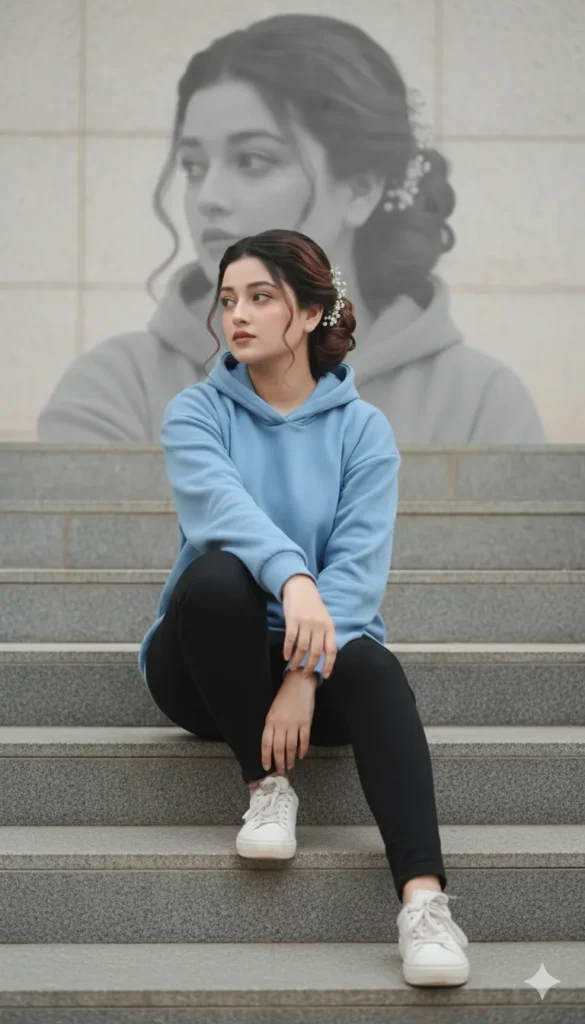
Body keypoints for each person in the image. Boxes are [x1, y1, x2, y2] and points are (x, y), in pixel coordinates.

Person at [138, 228, 470, 988]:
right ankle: (265, 785)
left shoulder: (363, 431)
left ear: (314, 312)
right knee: (219, 575)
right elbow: (222, 513)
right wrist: (293, 579)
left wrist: (302, 678)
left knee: (380, 673)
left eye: (261, 297)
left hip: (313, 654)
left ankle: (424, 905)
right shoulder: (196, 413)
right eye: (227, 300)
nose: (237, 316)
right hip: (201, 667)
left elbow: (356, 572)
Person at [38, 13, 544, 444]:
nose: (207, 197)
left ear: (361, 188)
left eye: (252, 160)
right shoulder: (117, 390)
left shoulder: (478, 407)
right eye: (193, 166)